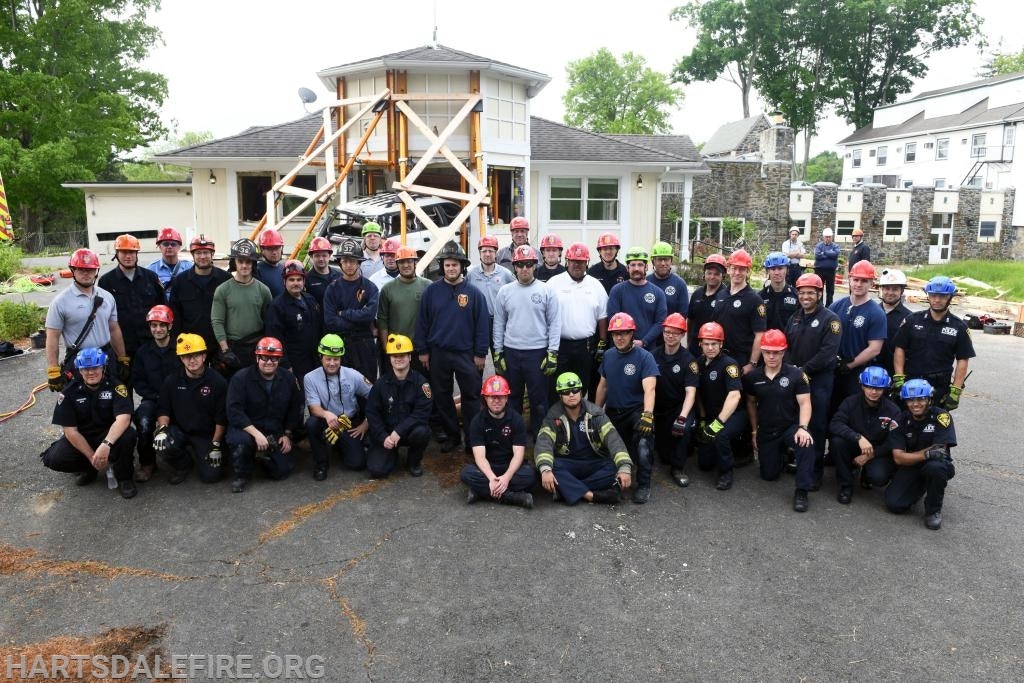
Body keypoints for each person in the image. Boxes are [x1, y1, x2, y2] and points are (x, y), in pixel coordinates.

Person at [415, 241, 489, 453]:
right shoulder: (431, 292)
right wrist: (423, 351)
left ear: (462, 266)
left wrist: (480, 353)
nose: (451, 269)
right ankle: (452, 435)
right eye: (447, 265)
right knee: (441, 396)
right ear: (442, 267)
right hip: (438, 353)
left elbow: (482, 326)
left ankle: (472, 440)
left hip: (466, 354)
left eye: (455, 265)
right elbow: (422, 322)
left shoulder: (474, 294)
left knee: (471, 397)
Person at [40, 347, 138, 499]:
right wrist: (92, 456)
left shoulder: (116, 386)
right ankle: (90, 468)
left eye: (95, 367)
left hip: (108, 435)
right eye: (85, 369)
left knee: (128, 435)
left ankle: (124, 477)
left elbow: (124, 418)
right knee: (54, 458)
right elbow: (70, 431)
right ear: (80, 370)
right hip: (83, 437)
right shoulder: (69, 392)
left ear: (103, 367)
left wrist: (106, 445)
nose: (91, 372)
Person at [492, 244, 561, 438]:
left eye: (528, 264)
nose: (524, 268)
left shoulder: (547, 291)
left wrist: (553, 352)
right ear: (514, 266)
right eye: (520, 264)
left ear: (535, 266)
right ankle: (514, 436)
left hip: (537, 353)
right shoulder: (505, 292)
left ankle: (541, 437)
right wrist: (498, 352)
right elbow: (498, 324)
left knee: (538, 400)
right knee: (512, 399)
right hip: (512, 352)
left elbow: (555, 323)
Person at [743, 329, 816, 512]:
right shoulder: (753, 377)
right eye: (767, 352)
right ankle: (783, 456)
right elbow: (751, 403)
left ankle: (802, 490)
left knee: (806, 443)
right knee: (769, 475)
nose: (771, 356)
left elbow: (805, 403)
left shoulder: (796, 375)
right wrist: (754, 431)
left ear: (783, 352)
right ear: (762, 352)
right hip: (767, 429)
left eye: (776, 352)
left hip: (790, 427)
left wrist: (803, 427)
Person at [534, 372, 632, 505]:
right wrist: (545, 470)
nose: (571, 394)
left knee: (613, 467)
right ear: (560, 395)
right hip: (568, 463)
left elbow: (613, 440)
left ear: (581, 391)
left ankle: (567, 489)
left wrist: (624, 467)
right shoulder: (553, 415)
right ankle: (591, 495)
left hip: (594, 463)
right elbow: (543, 443)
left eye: (575, 390)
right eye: (566, 391)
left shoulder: (596, 414)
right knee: (549, 467)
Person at [595, 312, 659, 504]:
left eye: (624, 333)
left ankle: (643, 484)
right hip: (614, 412)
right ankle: (615, 478)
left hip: (636, 412)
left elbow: (650, 389)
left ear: (632, 334)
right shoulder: (608, 355)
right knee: (606, 449)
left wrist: (648, 415)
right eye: (615, 334)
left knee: (643, 446)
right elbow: (603, 385)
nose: (619, 337)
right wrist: (596, 412)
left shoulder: (645, 357)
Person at [226, 337, 304, 493]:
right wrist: (256, 434)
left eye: (274, 358)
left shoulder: (288, 379)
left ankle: (259, 457)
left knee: (282, 472)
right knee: (240, 443)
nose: (269, 362)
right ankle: (242, 474)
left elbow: (295, 409)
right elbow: (234, 412)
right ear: (257, 357)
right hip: (246, 428)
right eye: (265, 358)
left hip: (273, 430)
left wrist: (287, 434)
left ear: (279, 359)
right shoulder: (240, 378)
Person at [784, 273, 841, 484]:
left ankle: (814, 472)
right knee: (797, 422)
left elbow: (828, 353)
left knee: (816, 425)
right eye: (802, 293)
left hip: (819, 382)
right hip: (797, 379)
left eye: (810, 293)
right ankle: (799, 460)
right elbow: (786, 347)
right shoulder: (795, 317)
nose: (805, 296)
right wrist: (791, 370)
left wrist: (803, 371)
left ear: (819, 294)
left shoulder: (831, 319)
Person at [45, 248, 129, 393]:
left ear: (96, 271)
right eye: (81, 269)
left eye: (90, 269)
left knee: (112, 401)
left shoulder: (107, 297)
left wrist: (122, 358)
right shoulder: (60, 302)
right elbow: (52, 336)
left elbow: (114, 329)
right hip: (78, 360)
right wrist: (53, 369)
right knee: (78, 404)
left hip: (106, 357)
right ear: (73, 270)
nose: (86, 273)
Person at [155, 333, 229, 484]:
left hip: (206, 435)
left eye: (196, 355)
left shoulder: (218, 382)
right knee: (163, 445)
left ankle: (203, 454)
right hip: (180, 430)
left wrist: (215, 444)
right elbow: (163, 409)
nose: (192, 360)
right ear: (181, 358)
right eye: (187, 356)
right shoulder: (172, 380)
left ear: (204, 356)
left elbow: (221, 418)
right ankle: (183, 464)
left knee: (211, 477)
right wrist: (162, 429)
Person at [893, 276, 975, 411]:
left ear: (950, 298)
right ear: (928, 296)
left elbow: (962, 359)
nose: (937, 300)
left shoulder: (959, 327)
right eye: (933, 295)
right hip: (911, 384)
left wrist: (955, 390)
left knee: (935, 428)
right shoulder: (912, 320)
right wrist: (899, 377)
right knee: (906, 426)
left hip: (939, 389)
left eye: (942, 296)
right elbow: (899, 348)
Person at [886, 379, 956, 530]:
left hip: (934, 464)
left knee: (936, 468)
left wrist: (912, 456)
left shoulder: (942, 417)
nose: (915, 404)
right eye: (910, 400)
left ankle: (933, 510)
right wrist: (925, 454)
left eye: (920, 399)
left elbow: (939, 450)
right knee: (894, 505)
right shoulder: (899, 420)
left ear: (929, 399)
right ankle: (921, 486)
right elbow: (898, 458)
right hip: (911, 465)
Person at [460, 375, 535, 508]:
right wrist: (491, 478)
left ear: (506, 398)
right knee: (467, 474)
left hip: (510, 467)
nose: (496, 401)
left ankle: (481, 492)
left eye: (500, 396)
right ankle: (514, 497)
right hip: (487, 468)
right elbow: (480, 457)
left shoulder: (517, 420)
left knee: (531, 475)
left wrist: (506, 477)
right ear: (485, 398)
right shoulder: (477, 422)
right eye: (492, 397)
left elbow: (518, 455)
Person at [828, 366, 901, 504]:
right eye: (869, 387)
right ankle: (846, 485)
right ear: (862, 386)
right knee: (837, 442)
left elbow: (893, 441)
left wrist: (870, 455)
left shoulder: (893, 411)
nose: (873, 392)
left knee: (878, 477)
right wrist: (858, 437)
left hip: (877, 451)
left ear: (885, 388)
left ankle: (867, 475)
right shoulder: (850, 402)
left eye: (878, 388)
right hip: (855, 444)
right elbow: (835, 424)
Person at [304, 334, 372, 480]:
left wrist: (366, 424)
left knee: (357, 464)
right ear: (320, 357)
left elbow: (376, 397)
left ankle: (341, 445)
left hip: (349, 423)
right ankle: (321, 464)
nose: (332, 363)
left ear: (341, 358)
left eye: (336, 359)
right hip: (326, 421)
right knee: (311, 424)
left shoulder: (353, 375)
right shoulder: (310, 378)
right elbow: (314, 407)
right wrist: (327, 414)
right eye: (328, 358)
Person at [365, 334, 433, 479]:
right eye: (394, 355)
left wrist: (399, 431)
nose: (398, 359)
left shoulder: (422, 384)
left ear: (410, 357)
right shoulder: (380, 384)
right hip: (387, 434)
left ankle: (413, 462)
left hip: (408, 432)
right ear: (390, 359)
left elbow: (421, 414)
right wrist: (383, 437)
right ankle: (391, 452)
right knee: (377, 470)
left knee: (423, 432)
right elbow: (372, 413)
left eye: (402, 355)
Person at [546, 242, 608, 400]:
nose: (577, 265)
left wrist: (602, 342)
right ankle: (557, 422)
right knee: (556, 388)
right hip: (559, 345)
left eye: (581, 262)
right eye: (573, 261)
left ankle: (578, 421)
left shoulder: (596, 285)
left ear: (587, 263)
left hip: (586, 347)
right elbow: (544, 313)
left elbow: (602, 317)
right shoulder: (553, 283)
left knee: (581, 387)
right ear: (567, 261)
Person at [693, 322, 745, 491]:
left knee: (720, 434)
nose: (710, 348)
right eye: (706, 344)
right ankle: (723, 451)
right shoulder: (698, 363)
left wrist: (717, 424)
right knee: (705, 464)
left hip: (732, 415)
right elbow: (697, 393)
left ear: (721, 344)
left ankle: (726, 472)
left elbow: (734, 395)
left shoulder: (729, 365)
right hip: (709, 414)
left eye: (714, 343)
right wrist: (701, 418)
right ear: (700, 344)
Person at [130, 305, 179, 482]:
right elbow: (138, 381)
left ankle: (180, 462)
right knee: (143, 421)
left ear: (170, 326)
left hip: (178, 400)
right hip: (152, 399)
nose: (157, 329)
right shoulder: (143, 353)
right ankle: (147, 463)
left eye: (162, 325)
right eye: (153, 325)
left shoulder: (181, 350)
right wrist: (155, 398)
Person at [98, 234, 165, 363]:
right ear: (116, 254)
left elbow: (163, 308)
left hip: (152, 344)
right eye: (123, 252)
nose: (128, 256)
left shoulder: (151, 278)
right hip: (123, 348)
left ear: (137, 254)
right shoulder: (106, 282)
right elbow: (103, 319)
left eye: (132, 252)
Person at [650, 313, 699, 487]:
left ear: (683, 335)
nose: (670, 336)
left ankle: (678, 468)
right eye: (667, 332)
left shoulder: (689, 360)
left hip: (679, 407)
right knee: (663, 457)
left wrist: (683, 416)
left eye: (676, 333)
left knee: (682, 429)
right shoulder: (653, 355)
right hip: (659, 409)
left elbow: (691, 392)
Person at [211, 239, 272, 376]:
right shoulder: (222, 290)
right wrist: (226, 350)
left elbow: (269, 322)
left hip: (257, 349)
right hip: (232, 349)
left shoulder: (264, 290)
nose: (244, 265)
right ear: (234, 263)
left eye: (248, 261)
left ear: (253, 264)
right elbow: (217, 321)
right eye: (240, 261)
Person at [829, 260, 886, 406]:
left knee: (852, 410)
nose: (859, 284)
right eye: (855, 280)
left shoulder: (876, 313)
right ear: (849, 280)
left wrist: (849, 365)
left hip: (856, 372)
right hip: (832, 368)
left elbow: (875, 348)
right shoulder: (836, 306)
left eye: (864, 281)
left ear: (871, 284)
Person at [323, 238, 380, 381]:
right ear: (340, 263)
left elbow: (369, 315)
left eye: (353, 261)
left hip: (365, 346)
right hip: (340, 346)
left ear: (359, 262)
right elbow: (330, 321)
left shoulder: (370, 287)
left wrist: (344, 313)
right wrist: (357, 321)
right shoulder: (332, 289)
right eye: (345, 261)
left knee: (367, 387)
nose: (349, 265)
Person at [169, 234, 230, 364]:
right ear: (193, 255)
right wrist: (176, 343)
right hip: (190, 346)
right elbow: (175, 315)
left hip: (219, 344)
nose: (202, 256)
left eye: (206, 252)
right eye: (198, 253)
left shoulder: (226, 279)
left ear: (212, 254)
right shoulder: (180, 282)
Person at [263, 259, 323, 382]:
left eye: (299, 279)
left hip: (314, 361)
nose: (296, 283)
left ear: (304, 281)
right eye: (291, 280)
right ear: (284, 282)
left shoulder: (311, 300)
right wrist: (285, 365)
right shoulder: (277, 306)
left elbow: (319, 328)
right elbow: (275, 338)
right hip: (293, 365)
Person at [712, 248, 765, 376]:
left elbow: (760, 334)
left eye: (742, 269)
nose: (737, 272)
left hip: (741, 359)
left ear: (747, 271)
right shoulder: (720, 295)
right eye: (734, 268)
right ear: (728, 269)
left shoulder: (754, 299)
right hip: (719, 356)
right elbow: (714, 326)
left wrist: (752, 363)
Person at [606, 247, 668, 350]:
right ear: (627, 268)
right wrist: (627, 341)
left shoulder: (658, 293)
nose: (636, 269)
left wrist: (644, 341)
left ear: (646, 267)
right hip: (621, 349)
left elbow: (660, 322)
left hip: (648, 350)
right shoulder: (617, 291)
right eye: (633, 265)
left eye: (640, 265)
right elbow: (613, 319)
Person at [466, 234, 515, 352]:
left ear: (496, 252)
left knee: (500, 357)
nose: (487, 254)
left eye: (491, 251)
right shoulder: (472, 274)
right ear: (479, 253)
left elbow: (516, 291)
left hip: (499, 321)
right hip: (478, 321)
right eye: (484, 251)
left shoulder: (505, 274)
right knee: (477, 359)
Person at [686, 254, 728, 357]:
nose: (712, 276)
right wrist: (688, 343)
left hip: (715, 352)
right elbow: (690, 320)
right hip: (695, 350)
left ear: (723, 275)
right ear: (704, 274)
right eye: (709, 273)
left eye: (716, 274)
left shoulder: (727, 296)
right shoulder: (697, 294)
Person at [876, 268, 912, 376]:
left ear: (902, 291)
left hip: (894, 372)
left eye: (895, 289)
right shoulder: (872, 312)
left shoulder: (909, 318)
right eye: (887, 288)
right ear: (881, 289)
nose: (890, 293)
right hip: (870, 369)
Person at [147, 227, 193, 301]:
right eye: (166, 244)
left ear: (179, 247)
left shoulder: (190, 267)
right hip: (162, 310)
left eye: (173, 244)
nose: (169, 247)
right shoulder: (150, 270)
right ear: (159, 247)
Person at [648, 241, 690, 320]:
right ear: (653, 261)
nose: (663, 263)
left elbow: (683, 314)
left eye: (666, 259)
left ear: (671, 261)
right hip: (649, 331)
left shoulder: (679, 284)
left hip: (671, 331)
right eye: (659, 259)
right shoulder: (646, 282)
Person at [759, 251, 798, 332]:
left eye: (780, 268)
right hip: (766, 343)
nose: (776, 272)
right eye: (773, 269)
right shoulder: (760, 297)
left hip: (789, 342)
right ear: (768, 271)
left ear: (787, 270)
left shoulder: (796, 296)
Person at [304, 236, 342, 306]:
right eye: (317, 256)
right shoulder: (306, 279)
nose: (321, 259)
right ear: (311, 256)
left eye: (324, 255)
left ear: (329, 255)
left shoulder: (339, 276)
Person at [254, 228, 286, 299]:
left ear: (281, 248)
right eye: (270, 248)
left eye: (277, 248)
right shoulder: (257, 270)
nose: (274, 252)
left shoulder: (284, 267)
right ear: (262, 250)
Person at [813, 227, 841, 306]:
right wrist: (829, 253)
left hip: (831, 271)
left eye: (829, 237)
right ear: (823, 237)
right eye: (826, 237)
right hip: (819, 270)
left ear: (832, 237)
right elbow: (817, 256)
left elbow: (835, 255)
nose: (828, 238)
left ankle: (829, 305)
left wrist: (824, 252)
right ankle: (819, 305)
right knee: (819, 288)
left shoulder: (835, 246)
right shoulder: (819, 245)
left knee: (830, 290)